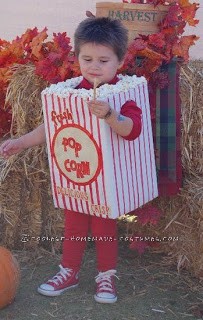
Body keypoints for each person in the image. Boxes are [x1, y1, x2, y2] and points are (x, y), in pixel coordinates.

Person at [0, 17, 142, 303]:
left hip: (107, 180)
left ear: (120, 61)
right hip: (77, 175)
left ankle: (106, 276)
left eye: (104, 60)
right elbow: (52, 127)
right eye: (87, 59)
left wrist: (110, 115)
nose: (94, 66)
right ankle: (70, 271)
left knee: (104, 227)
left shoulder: (124, 93)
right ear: (77, 57)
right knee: (74, 225)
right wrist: (20, 143)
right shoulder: (72, 92)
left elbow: (132, 129)